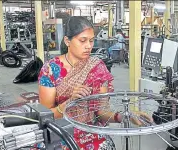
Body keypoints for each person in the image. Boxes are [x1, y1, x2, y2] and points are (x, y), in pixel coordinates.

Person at [38, 16, 152, 150]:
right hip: (62, 135)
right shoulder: (50, 69)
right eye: (82, 41)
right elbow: (45, 117)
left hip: (92, 134)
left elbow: (101, 112)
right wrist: (69, 103)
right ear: (67, 41)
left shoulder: (97, 67)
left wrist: (125, 116)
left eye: (91, 41)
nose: (88, 46)